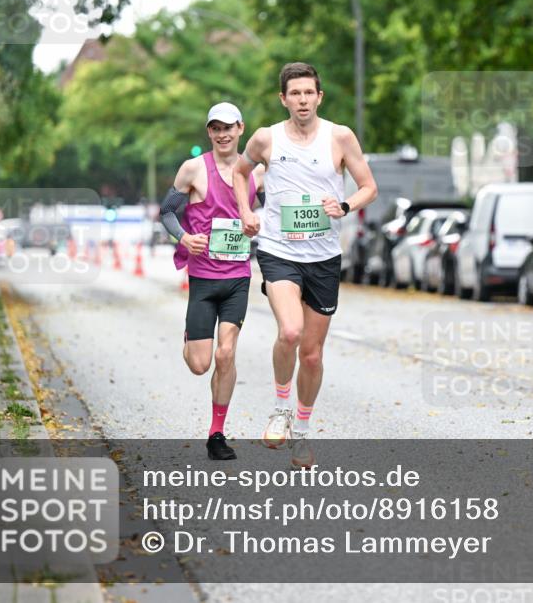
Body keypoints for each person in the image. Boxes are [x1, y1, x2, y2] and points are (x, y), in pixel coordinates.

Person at [233, 62, 376, 469]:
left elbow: (369, 186)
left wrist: (345, 205)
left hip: (324, 256)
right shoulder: (266, 139)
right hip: (279, 249)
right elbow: (240, 175)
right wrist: (246, 211)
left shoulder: (340, 136)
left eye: (308, 93)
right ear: (283, 99)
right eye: (294, 94)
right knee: (290, 330)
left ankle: (302, 432)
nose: (302, 100)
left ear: (319, 96)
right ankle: (280, 407)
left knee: (312, 355)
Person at [160, 102, 264, 460]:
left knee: (226, 353)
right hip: (203, 278)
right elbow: (167, 211)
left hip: (237, 277)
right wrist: (184, 238)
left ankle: (217, 433)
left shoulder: (256, 172)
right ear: (209, 132)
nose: (223, 134)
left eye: (229, 128)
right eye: (216, 128)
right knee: (199, 363)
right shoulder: (193, 169)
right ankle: (191, 336)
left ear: (241, 129)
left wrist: (259, 222)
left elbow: (271, 211)